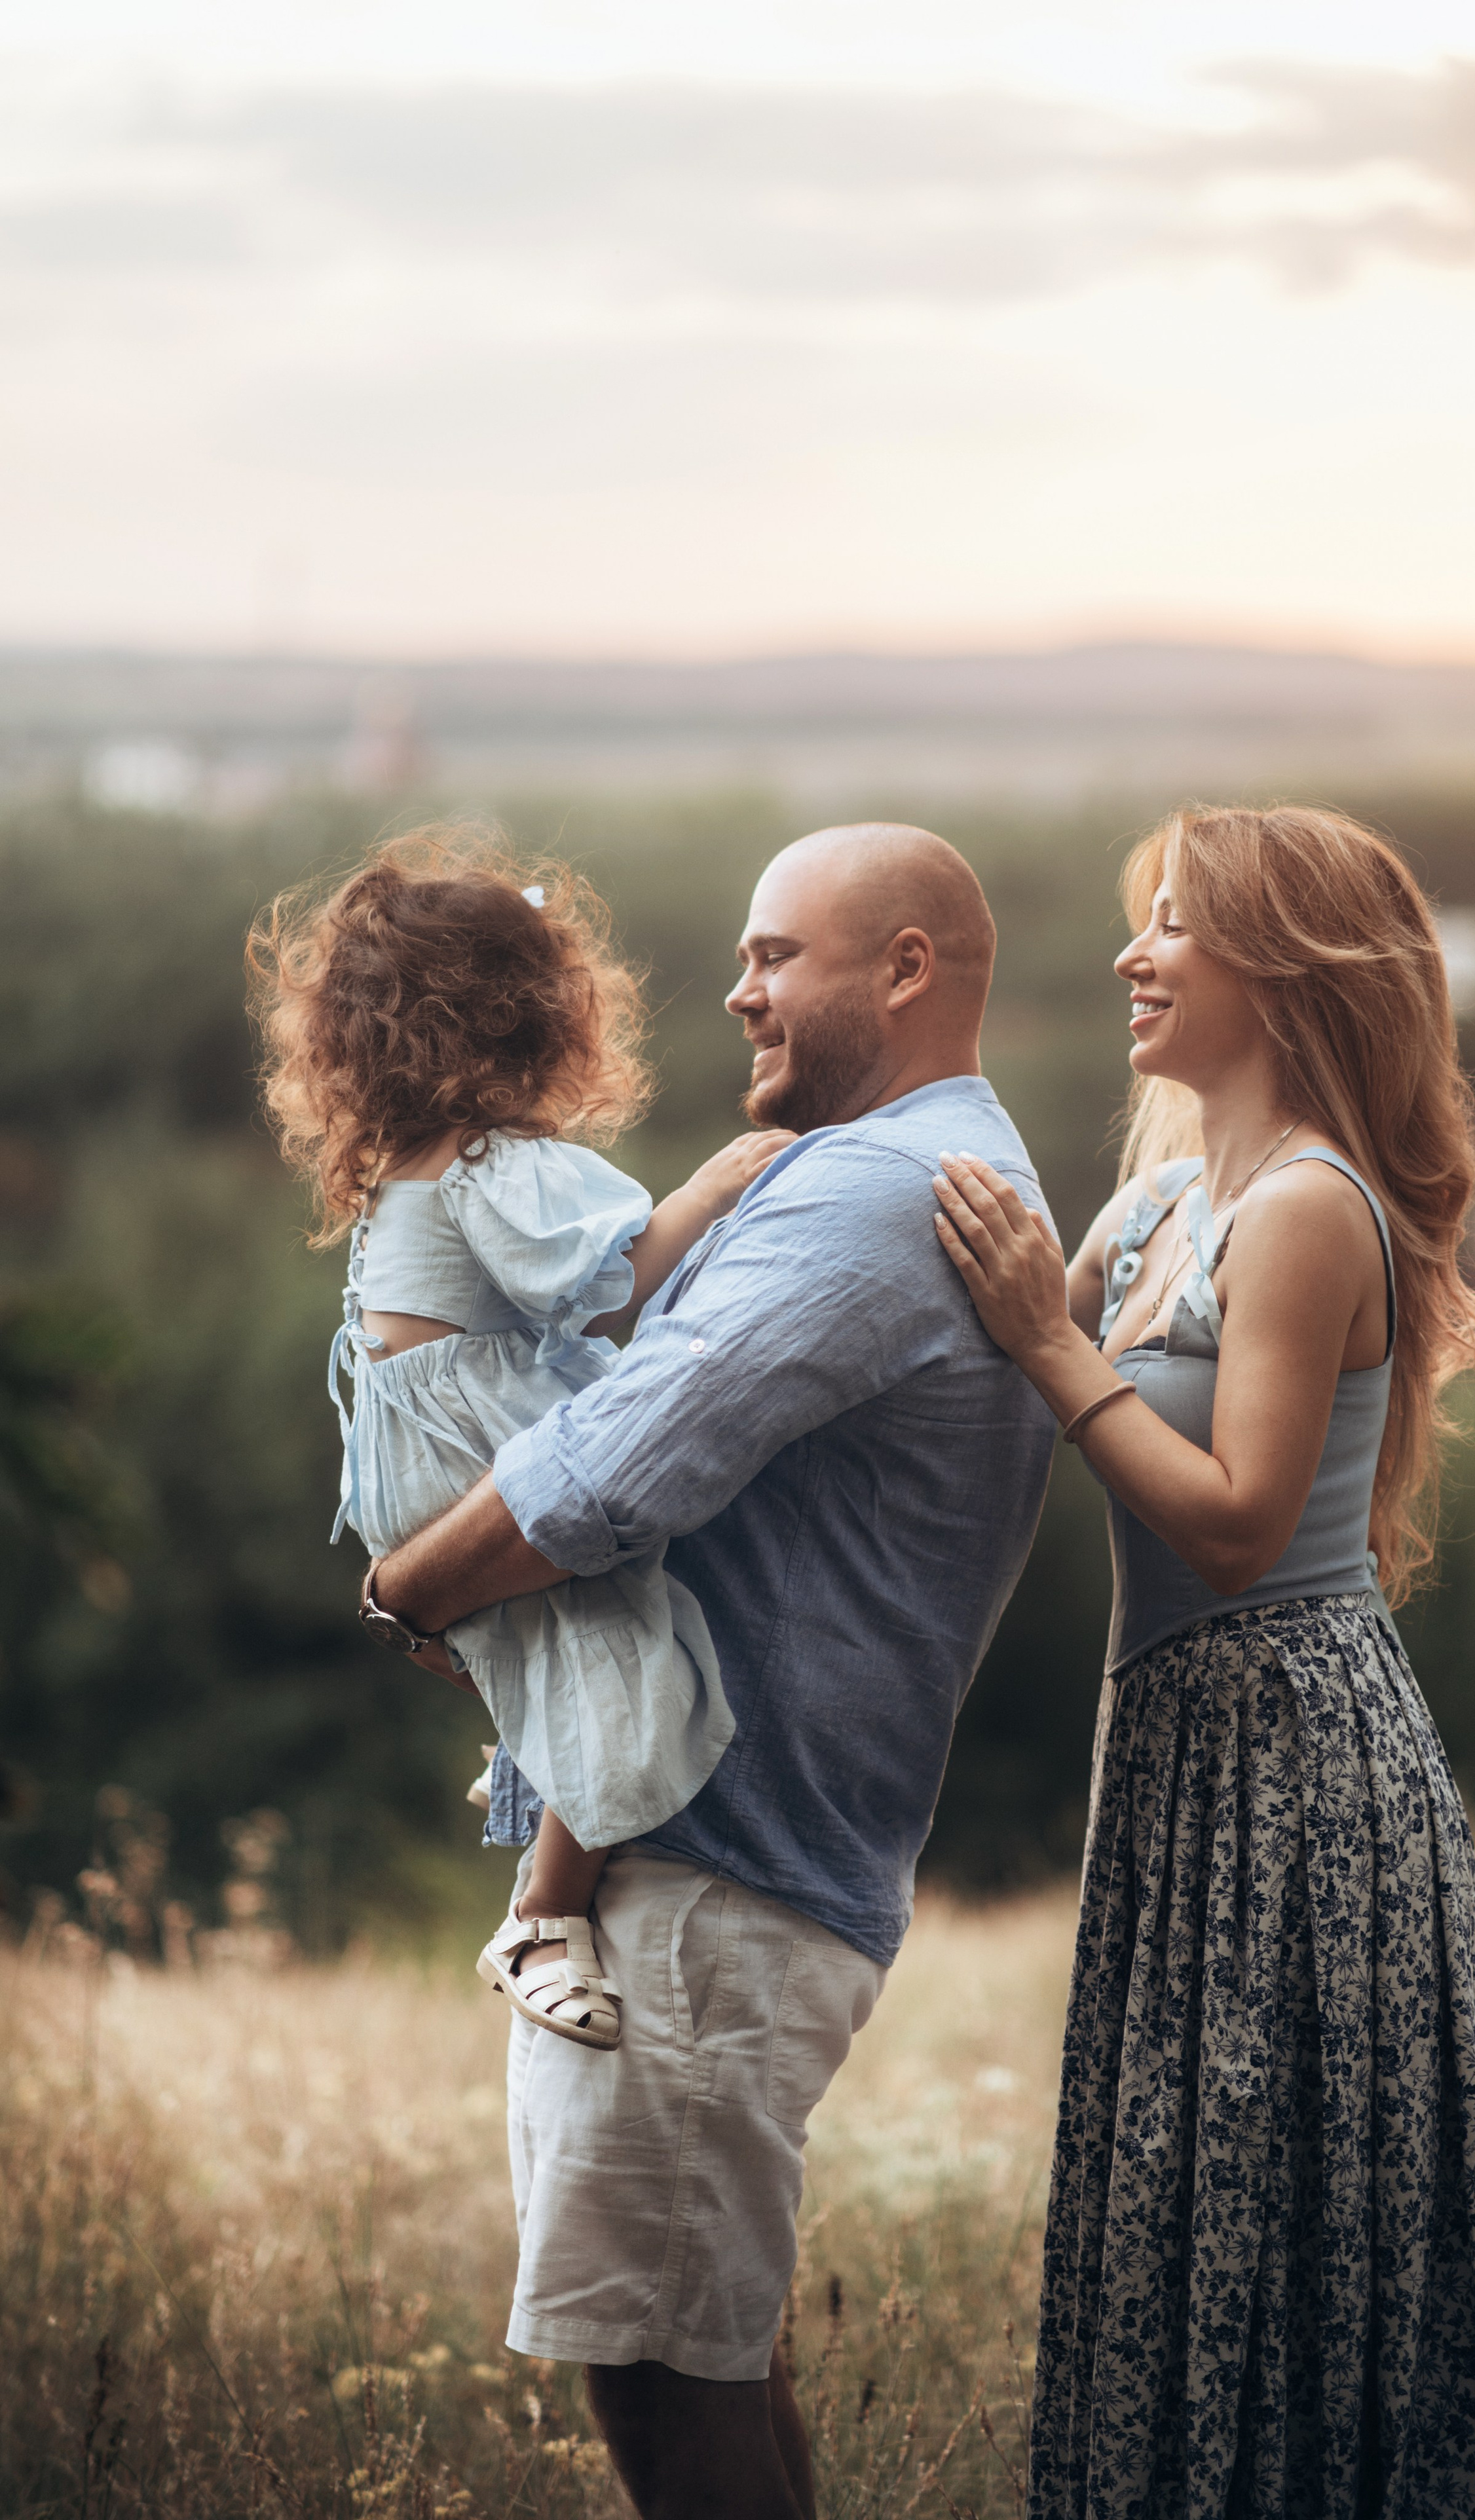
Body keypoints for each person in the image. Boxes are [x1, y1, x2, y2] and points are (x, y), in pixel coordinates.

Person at [368, 821, 1056, 2520]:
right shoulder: (907, 1172)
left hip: (712, 1877)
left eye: (775, 956)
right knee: (701, 2355)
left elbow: (614, 1467)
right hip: (718, 1876)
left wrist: (410, 1587)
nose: (739, 991)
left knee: (664, 2381)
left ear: (904, 968)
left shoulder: (878, 1191)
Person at [933, 806, 1475, 2519]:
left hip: (1296, 1768)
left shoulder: (1304, 1210)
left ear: (1282, 970)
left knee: (1270, 2214)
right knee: (1187, 2198)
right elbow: (989, 1376)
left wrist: (1049, 1340)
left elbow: (1232, 1525)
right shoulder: (1159, 1204)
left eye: (1173, 926)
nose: (1131, 956)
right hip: (1180, 1752)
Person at [248, 828, 791, 2046]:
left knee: (561, 1647)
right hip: (483, 1453)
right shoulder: (490, 1160)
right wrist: (712, 1192)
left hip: (410, 1465)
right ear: (530, 1020)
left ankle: (532, 1760)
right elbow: (607, 1290)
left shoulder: (404, 1160)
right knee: (630, 1666)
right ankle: (545, 1914)